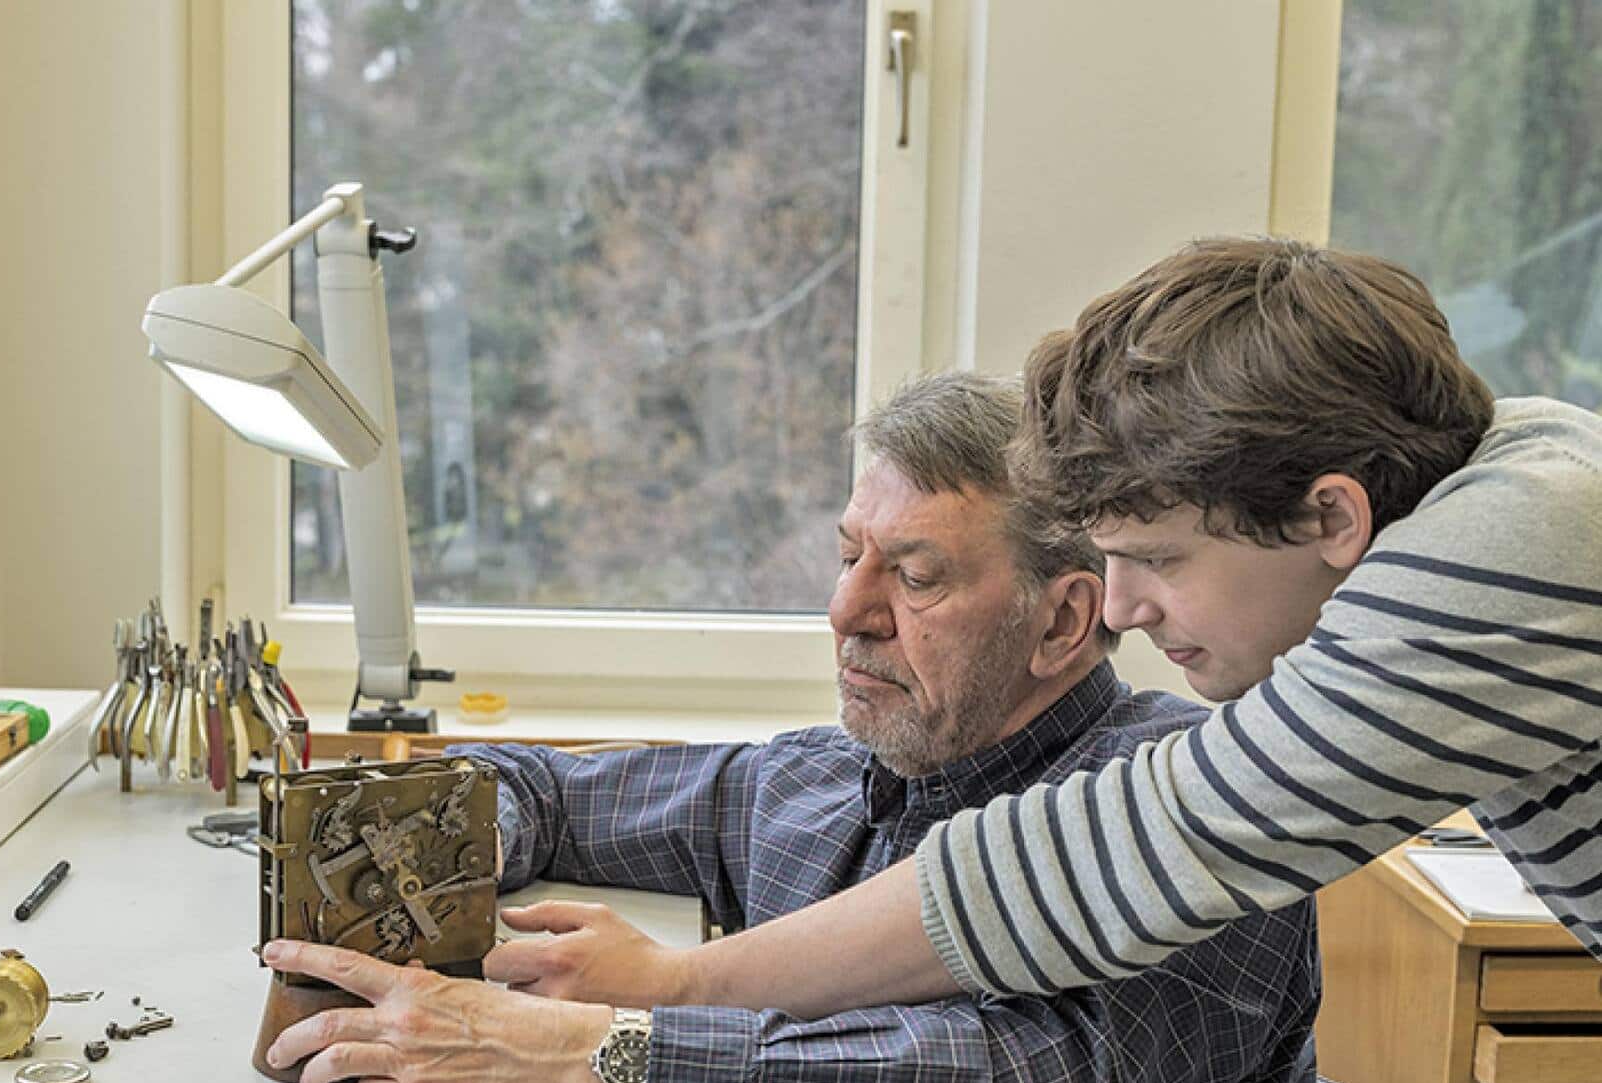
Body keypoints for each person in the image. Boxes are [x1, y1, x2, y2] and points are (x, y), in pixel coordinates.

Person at [261, 371, 1323, 1083]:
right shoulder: (825, 780)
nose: (847, 611)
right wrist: (384, 849)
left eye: (913, 575)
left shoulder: (1198, 820)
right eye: (849, 555)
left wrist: (597, 1051)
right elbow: (536, 786)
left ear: (1059, 620)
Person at [511, 235, 1601, 1021]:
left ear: (1331, 515)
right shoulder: (1520, 462)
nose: (1120, 608)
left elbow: (1121, 850)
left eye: (1161, 558)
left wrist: (676, 987)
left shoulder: (1520, 545)